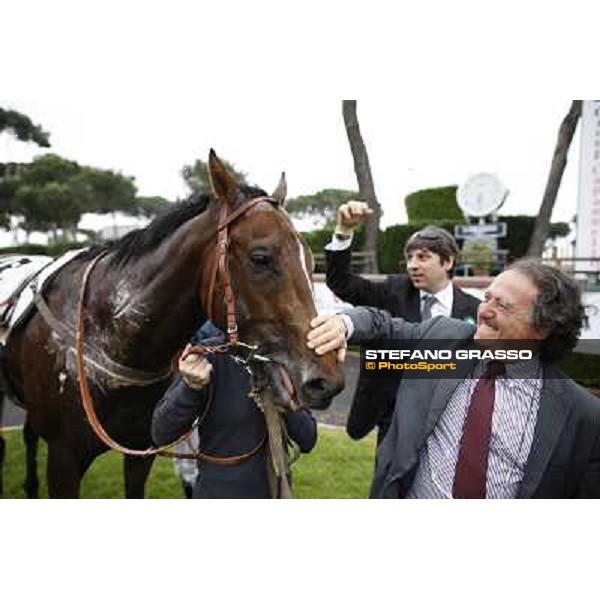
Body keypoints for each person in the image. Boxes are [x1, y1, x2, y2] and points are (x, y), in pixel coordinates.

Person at [308, 259, 600, 499]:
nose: (484, 311)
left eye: (503, 305)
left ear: (544, 326)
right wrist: (342, 324)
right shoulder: (443, 339)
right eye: (487, 298)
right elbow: (381, 324)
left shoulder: (585, 417)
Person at [325, 200, 479, 445]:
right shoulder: (392, 292)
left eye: (422, 257)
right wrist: (343, 231)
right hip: (393, 418)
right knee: (389, 482)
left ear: (448, 262)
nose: (412, 265)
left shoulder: (474, 310)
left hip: (449, 420)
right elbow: (342, 283)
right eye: (409, 258)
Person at [152, 321, 317, 499]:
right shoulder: (210, 354)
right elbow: (161, 434)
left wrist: (286, 406)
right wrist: (190, 386)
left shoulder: (285, 357)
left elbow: (308, 438)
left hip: (272, 492)